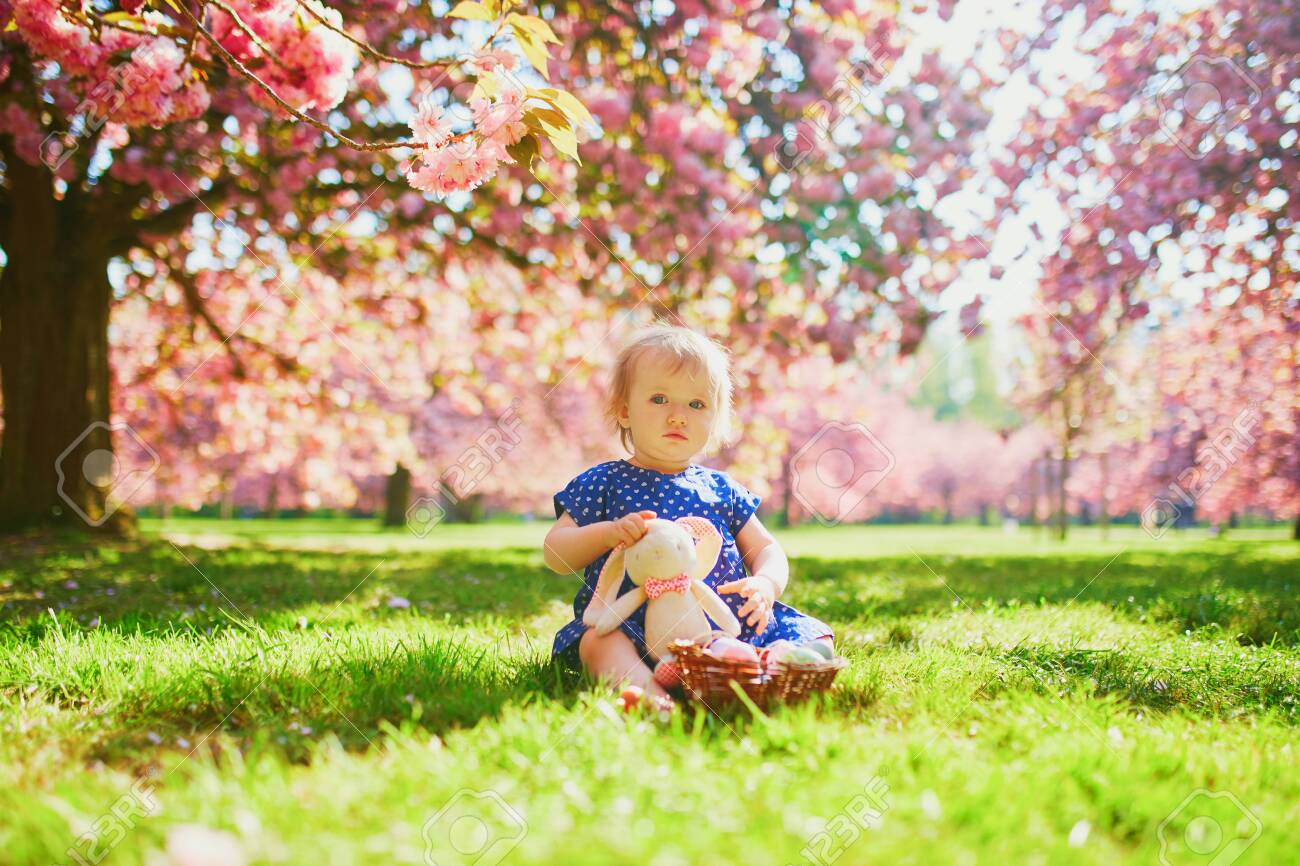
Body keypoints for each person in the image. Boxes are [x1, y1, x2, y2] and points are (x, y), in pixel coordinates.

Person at [543, 324, 835, 703]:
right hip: (631, 628)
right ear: (625, 411)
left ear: (715, 420)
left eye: (696, 405)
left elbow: (766, 548)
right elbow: (556, 552)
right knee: (597, 644)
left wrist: (766, 583)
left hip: (723, 629)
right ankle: (650, 696)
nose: (678, 416)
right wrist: (608, 533)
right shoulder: (604, 482)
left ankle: (768, 666)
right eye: (660, 399)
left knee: (814, 634)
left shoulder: (721, 488)